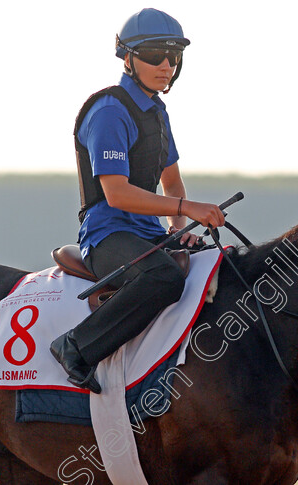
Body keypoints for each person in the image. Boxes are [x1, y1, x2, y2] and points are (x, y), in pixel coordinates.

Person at [50, 8, 225, 393]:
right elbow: (117, 193)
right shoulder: (110, 110)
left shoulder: (158, 113)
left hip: (148, 234)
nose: (166, 65)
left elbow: (173, 182)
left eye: (174, 57)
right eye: (155, 55)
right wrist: (186, 210)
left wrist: (181, 232)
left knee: (221, 265)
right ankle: (75, 347)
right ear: (128, 58)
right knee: (162, 277)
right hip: (107, 234)